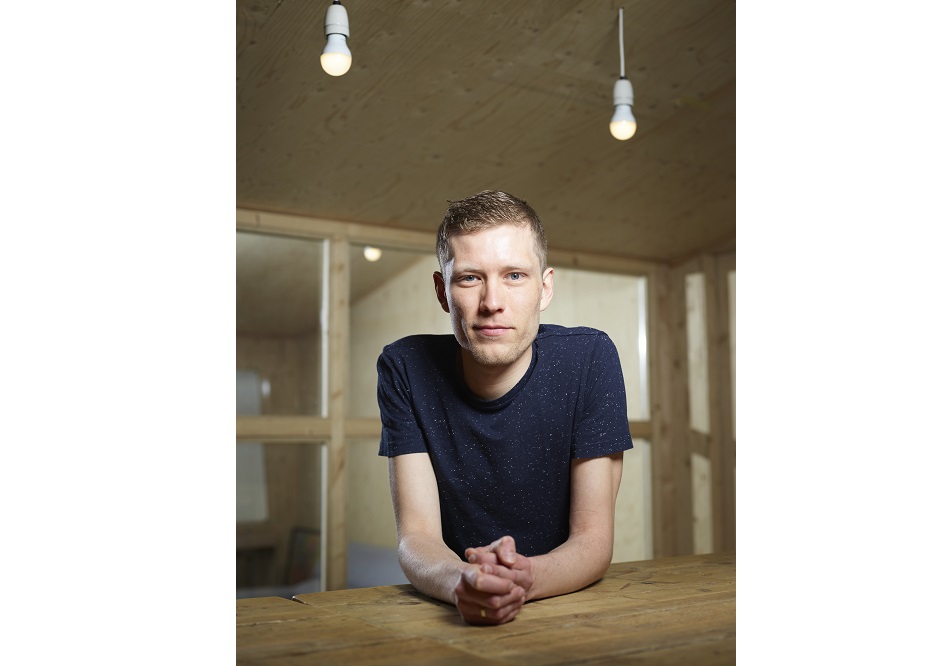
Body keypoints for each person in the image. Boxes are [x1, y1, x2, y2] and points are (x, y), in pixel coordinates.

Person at [376, 190, 633, 625]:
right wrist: (463, 582)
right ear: (442, 291)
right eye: (469, 278)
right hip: (456, 607)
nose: (492, 301)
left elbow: (593, 540)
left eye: (514, 275)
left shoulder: (590, 357)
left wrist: (524, 579)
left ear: (544, 287)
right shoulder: (405, 367)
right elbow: (416, 537)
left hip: (566, 607)